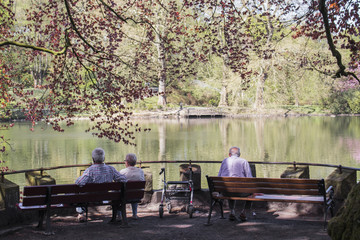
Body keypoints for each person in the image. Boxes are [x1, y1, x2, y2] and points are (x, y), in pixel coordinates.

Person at [75, 147, 127, 222]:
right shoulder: (111, 169)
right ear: (104, 158)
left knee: (78, 192)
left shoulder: (89, 170)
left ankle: (81, 214)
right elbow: (123, 179)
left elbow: (79, 182)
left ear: (93, 159)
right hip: (106, 197)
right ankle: (116, 216)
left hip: (90, 198)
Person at [218, 146, 253, 222]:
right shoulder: (244, 161)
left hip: (226, 192)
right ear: (239, 154)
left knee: (230, 188)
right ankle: (243, 212)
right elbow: (249, 178)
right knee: (252, 192)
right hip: (240, 192)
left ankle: (232, 212)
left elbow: (219, 177)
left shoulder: (224, 161)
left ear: (229, 154)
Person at [119, 153, 145, 220]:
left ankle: (119, 215)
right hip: (137, 196)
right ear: (135, 162)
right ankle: (134, 214)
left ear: (126, 162)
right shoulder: (141, 171)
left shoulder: (122, 172)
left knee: (120, 193)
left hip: (124, 196)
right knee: (134, 191)